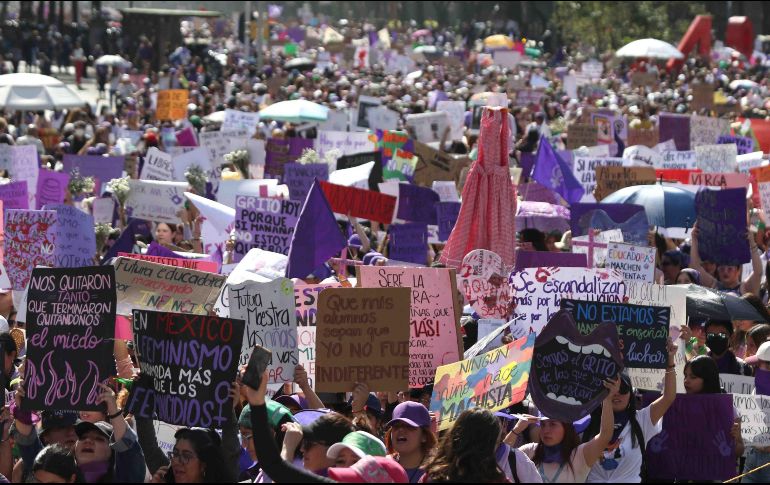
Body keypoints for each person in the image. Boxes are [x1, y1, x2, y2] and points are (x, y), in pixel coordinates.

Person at [582, 339, 678, 483]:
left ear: (631, 394)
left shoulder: (642, 420)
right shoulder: (584, 421)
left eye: (623, 388)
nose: (616, 393)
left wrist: (670, 360)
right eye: (611, 388)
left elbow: (669, 397)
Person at [513, 378, 620, 483]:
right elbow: (500, 459)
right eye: (543, 424)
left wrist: (607, 399)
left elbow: (605, 435)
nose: (546, 430)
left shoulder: (580, 455)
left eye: (553, 424)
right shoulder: (530, 451)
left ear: (567, 428)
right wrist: (516, 430)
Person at [383, 401, 437, 483]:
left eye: (409, 426)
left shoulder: (436, 473)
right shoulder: (381, 468)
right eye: (396, 426)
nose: (401, 430)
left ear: (424, 436)